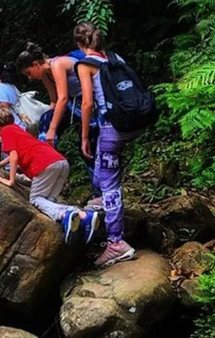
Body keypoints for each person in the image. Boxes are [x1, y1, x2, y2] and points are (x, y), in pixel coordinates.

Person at [0, 106, 99, 245]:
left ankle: (66, 215)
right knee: (48, 202)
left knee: (36, 199)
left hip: (45, 165)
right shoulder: (16, 128)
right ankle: (84, 216)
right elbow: (15, 154)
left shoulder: (6, 132)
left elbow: (14, 156)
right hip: (60, 162)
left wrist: (11, 180)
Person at [74, 22, 139, 267]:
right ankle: (102, 205)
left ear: (80, 45)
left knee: (110, 184)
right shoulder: (114, 57)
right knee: (105, 167)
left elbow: (87, 104)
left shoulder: (85, 64)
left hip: (111, 128)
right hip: (131, 122)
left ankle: (116, 243)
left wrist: (82, 137)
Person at [15, 42, 101, 203]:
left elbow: (63, 98)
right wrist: (47, 124)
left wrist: (53, 130)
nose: (29, 77)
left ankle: (100, 192)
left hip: (88, 102)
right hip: (73, 103)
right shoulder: (45, 74)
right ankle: (41, 166)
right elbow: (54, 101)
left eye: (28, 73)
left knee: (86, 147)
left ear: (35, 64)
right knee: (45, 119)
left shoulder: (58, 64)